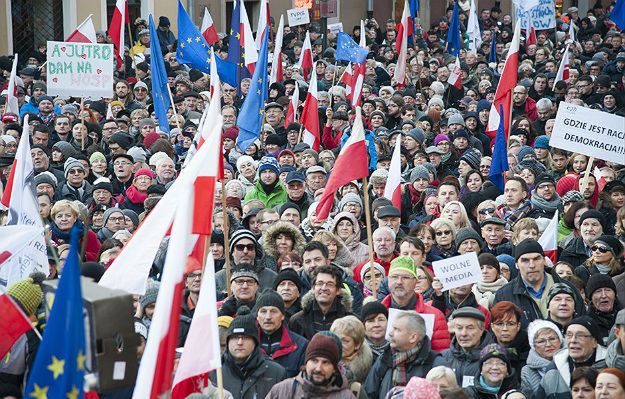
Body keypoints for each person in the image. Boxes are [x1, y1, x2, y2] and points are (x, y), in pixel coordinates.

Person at [494, 239, 584, 328]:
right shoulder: (504, 295)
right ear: (517, 264)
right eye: (525, 260)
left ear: (544, 261)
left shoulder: (568, 289)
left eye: (536, 259)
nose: (532, 265)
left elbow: (582, 326)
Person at [211, 306, 286, 399]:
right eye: (235, 337)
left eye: (245, 338)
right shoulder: (213, 372)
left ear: (255, 342)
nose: (240, 342)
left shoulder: (276, 373)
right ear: (227, 341)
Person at [364, 312, 442, 399]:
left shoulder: (435, 363)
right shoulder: (385, 358)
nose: (390, 333)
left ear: (413, 337)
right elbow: (368, 394)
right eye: (392, 328)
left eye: (397, 329)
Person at [380, 256, 451, 351]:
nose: (399, 282)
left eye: (405, 277)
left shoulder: (435, 316)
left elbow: (441, 355)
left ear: (415, 281)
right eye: (394, 277)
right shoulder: (378, 314)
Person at [265, 333, 357, 399]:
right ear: (306, 363)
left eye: (325, 362)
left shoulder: (346, 397)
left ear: (334, 368)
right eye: (314, 361)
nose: (318, 368)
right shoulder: (282, 390)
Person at [535, 316, 608, 398]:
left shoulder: (609, 367)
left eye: (580, 335)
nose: (573, 340)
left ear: (594, 342)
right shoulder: (553, 370)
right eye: (569, 335)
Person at [289, 265, 354, 340]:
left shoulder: (350, 320)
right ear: (313, 288)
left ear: (338, 290)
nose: (324, 288)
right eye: (320, 283)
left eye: (330, 284)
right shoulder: (297, 320)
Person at [254, 290, 308, 378]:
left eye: (273, 311)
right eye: (263, 311)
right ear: (257, 316)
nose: (268, 317)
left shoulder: (301, 346)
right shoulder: (248, 345)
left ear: (283, 315)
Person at [439, 307, 495, 388]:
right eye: (459, 328)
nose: (464, 333)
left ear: (482, 329)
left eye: (469, 328)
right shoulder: (443, 358)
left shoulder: (495, 359)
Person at [520, 320, 563, 397]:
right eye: (541, 341)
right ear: (534, 346)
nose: (548, 344)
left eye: (552, 339)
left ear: (560, 340)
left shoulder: (573, 360)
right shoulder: (527, 371)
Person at [330, 315, 373, 384]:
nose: (338, 344)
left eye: (345, 341)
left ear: (357, 344)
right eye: (336, 339)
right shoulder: (325, 360)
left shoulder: (367, 368)